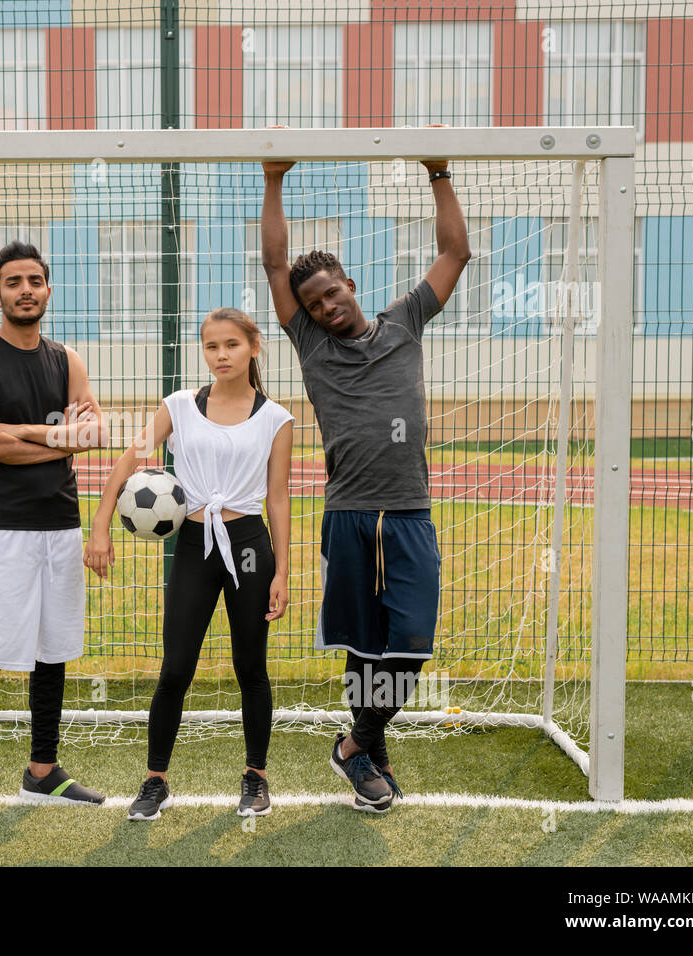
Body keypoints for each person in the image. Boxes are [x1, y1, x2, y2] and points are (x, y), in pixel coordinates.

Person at [260, 152, 471, 811]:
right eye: (315, 302)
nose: (326, 306)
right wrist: (274, 178)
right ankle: (371, 750)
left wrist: (438, 171)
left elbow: (456, 253)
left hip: (409, 514)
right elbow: (274, 264)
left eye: (333, 292)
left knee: (408, 642)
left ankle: (353, 744)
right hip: (350, 515)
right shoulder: (311, 344)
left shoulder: (406, 320)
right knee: (364, 647)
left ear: (351, 283)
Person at [85, 308, 294, 820]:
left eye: (231, 345)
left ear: (253, 348)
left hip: (247, 545)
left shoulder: (276, 418)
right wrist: (100, 521)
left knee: (251, 666)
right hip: (194, 543)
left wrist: (283, 571)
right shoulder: (178, 406)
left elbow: (280, 497)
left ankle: (256, 777)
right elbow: (131, 459)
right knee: (176, 667)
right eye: (210, 346)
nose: (220, 355)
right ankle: (155, 781)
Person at [0, 241, 109, 831]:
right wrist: (53, 437)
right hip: (3, 531)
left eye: (35, 280)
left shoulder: (67, 359)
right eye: (13, 282)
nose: (25, 290)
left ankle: (43, 771)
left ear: (48, 289)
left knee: (52, 650)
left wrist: (39, 437)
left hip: (60, 527)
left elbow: (92, 436)